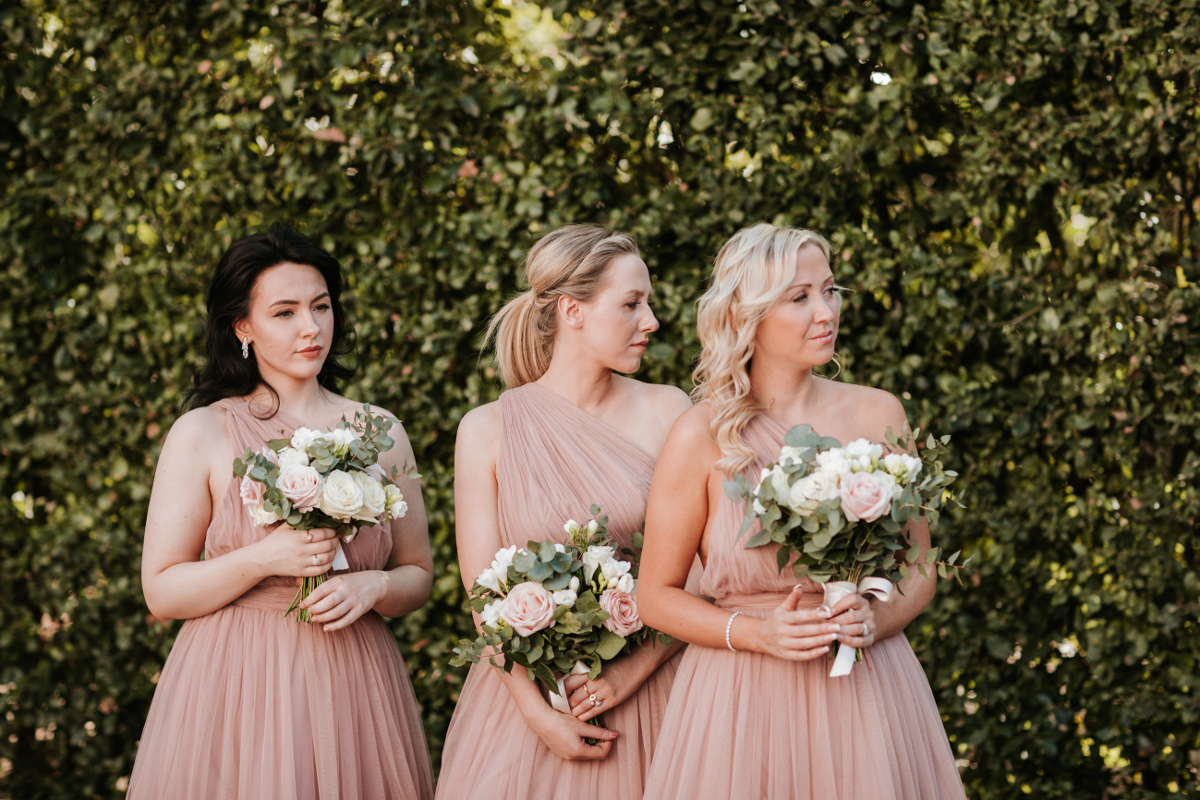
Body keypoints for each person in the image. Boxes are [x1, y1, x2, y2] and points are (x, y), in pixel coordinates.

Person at [638, 223, 966, 799]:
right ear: (748, 316)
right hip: (739, 700)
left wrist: (875, 619)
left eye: (830, 289)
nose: (826, 311)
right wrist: (757, 634)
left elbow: (918, 566)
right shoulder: (701, 435)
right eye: (800, 297)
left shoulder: (877, 414)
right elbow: (656, 595)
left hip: (867, 692)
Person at [128, 223, 435, 799]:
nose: (311, 327)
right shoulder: (203, 433)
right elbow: (162, 591)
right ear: (243, 327)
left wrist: (373, 587)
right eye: (285, 312)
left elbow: (418, 575)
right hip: (234, 680)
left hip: (354, 678)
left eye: (321, 306)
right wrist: (265, 558)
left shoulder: (381, 431)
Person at [436, 224, 694, 800]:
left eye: (647, 303)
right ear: (572, 311)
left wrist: (631, 673)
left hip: (658, 691)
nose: (650, 321)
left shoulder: (670, 411)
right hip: (530, 704)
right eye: (632, 303)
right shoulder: (486, 430)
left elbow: (701, 572)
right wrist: (538, 715)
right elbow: (484, 598)